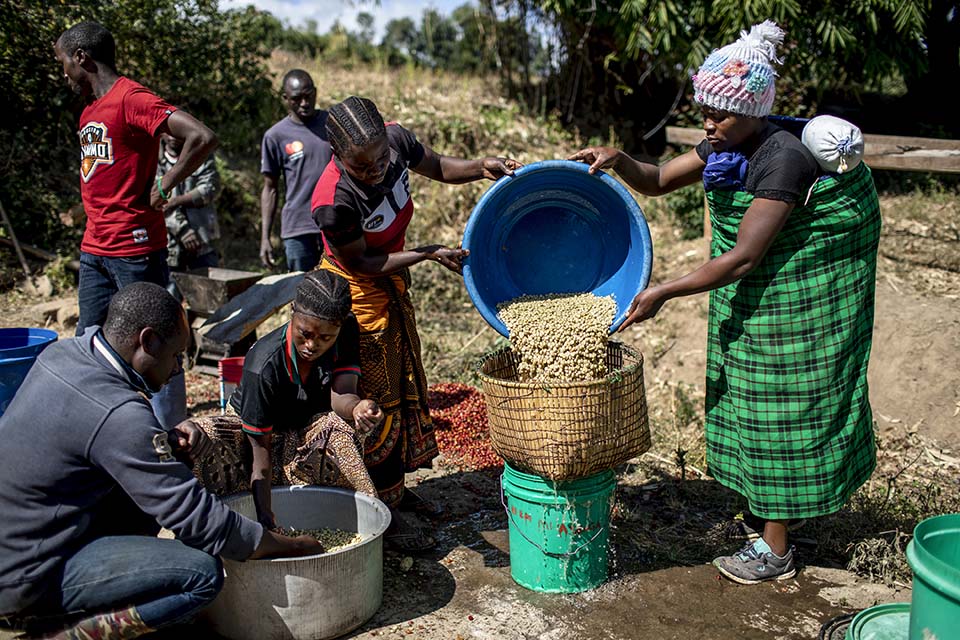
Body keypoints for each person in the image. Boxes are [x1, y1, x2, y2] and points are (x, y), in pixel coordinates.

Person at [570, 21, 881, 584]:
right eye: (705, 111)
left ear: (757, 111)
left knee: (780, 401)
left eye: (722, 114)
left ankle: (776, 551)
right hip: (757, 294)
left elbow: (742, 258)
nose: (710, 124)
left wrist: (662, 290)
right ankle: (766, 521)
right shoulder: (725, 142)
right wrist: (619, 159)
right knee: (748, 395)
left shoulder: (781, 158)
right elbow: (660, 178)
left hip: (796, 296)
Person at [0, 282, 322, 640]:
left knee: (168, 470)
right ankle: (56, 632)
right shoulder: (119, 413)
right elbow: (200, 520)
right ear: (148, 341)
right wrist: (288, 545)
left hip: (21, 537)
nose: (177, 369)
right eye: (176, 355)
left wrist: (165, 442)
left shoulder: (65, 355)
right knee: (202, 575)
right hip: (25, 574)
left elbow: (89, 441)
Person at [310, 96, 522, 551]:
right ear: (337, 156)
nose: (376, 171)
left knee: (403, 383)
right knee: (374, 398)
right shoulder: (334, 199)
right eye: (362, 167)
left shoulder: (396, 139)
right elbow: (363, 261)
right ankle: (375, 508)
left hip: (388, 280)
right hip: (356, 294)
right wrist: (427, 254)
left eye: (381, 160)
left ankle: (397, 492)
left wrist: (482, 166)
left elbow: (441, 166)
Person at [54, 21, 217, 429]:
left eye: (63, 64)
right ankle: (103, 425)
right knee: (92, 339)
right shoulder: (90, 108)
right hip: (95, 246)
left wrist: (165, 183)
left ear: (81, 58)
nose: (63, 74)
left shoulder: (130, 98)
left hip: (135, 246)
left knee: (155, 340)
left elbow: (201, 136)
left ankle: (172, 436)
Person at [224, 270, 384, 529]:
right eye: (305, 333)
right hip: (258, 438)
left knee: (342, 431)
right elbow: (259, 452)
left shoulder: (346, 329)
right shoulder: (263, 366)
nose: (312, 345)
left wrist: (357, 407)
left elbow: (341, 392)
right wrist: (266, 520)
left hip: (303, 426)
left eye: (325, 338)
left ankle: (366, 519)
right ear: (292, 312)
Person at [260, 69, 331, 272]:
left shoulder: (333, 124)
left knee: (340, 292)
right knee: (302, 293)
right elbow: (270, 188)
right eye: (296, 98)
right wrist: (265, 237)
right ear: (285, 98)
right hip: (298, 229)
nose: (304, 103)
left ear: (315, 92)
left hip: (335, 225)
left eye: (308, 96)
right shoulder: (275, 136)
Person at [157, 132, 222, 279]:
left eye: (176, 131)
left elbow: (210, 187)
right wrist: (183, 231)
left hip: (203, 237)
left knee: (208, 291)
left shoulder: (201, 155)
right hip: (169, 241)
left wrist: (177, 201)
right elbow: (158, 202)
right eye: (168, 132)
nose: (173, 136)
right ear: (161, 134)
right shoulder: (154, 160)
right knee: (170, 292)